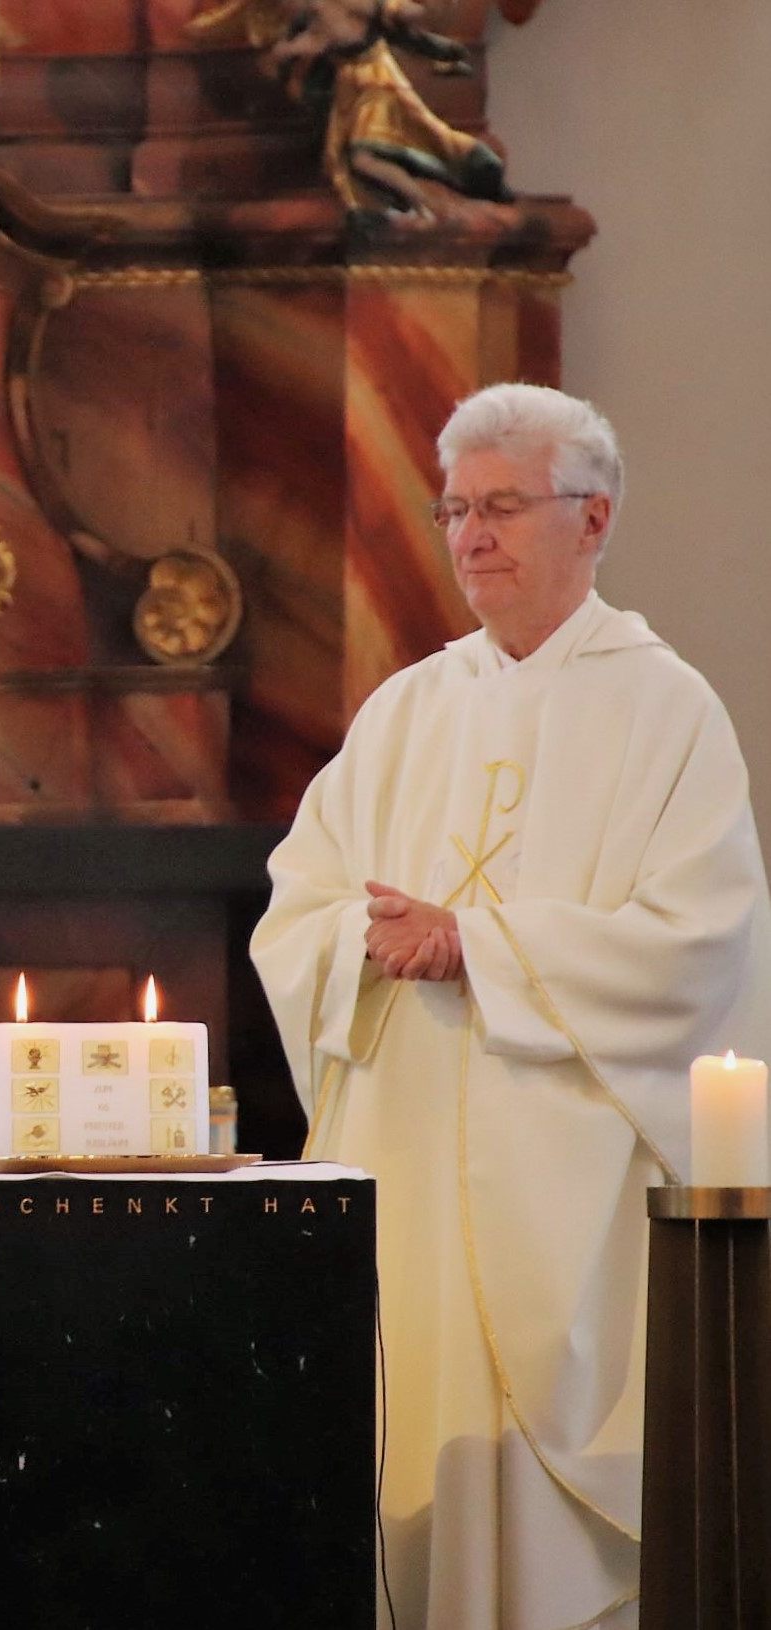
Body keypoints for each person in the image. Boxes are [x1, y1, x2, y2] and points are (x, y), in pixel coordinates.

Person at [251, 383, 771, 1628]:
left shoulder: (665, 709)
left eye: (502, 507)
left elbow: (698, 944)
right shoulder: (407, 709)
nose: (471, 535)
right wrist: (360, 942)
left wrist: (476, 944)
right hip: (410, 1167)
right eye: (453, 510)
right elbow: (295, 910)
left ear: (592, 521)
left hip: (564, 1190)